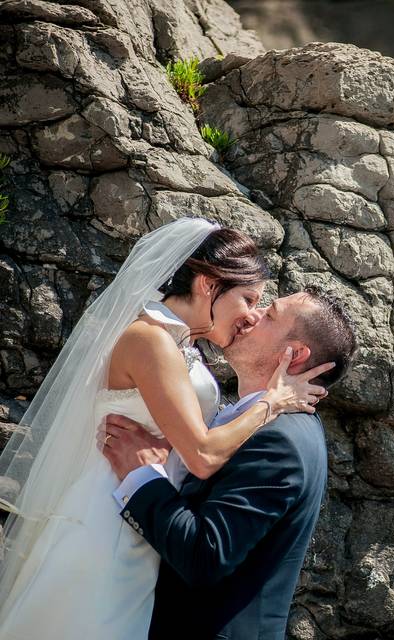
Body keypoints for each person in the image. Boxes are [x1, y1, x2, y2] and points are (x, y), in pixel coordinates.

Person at [0, 219, 330, 639]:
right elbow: (205, 455)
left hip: (141, 520)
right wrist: (273, 401)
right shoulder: (149, 339)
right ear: (209, 285)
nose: (250, 315)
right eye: (248, 299)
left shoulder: (181, 344)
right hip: (107, 518)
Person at [101, 287, 357, 639]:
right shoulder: (252, 422)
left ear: (294, 354)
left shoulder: (279, 441)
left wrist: (142, 474)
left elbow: (205, 555)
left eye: (269, 314)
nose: (251, 315)